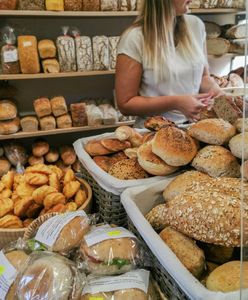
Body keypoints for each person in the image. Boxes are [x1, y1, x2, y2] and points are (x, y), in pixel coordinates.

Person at [115, 0, 223, 127]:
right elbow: (126, 104)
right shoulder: (134, 38)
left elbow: (203, 77)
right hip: (154, 130)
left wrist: (216, 92)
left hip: (194, 127)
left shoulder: (196, 25)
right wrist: (176, 102)